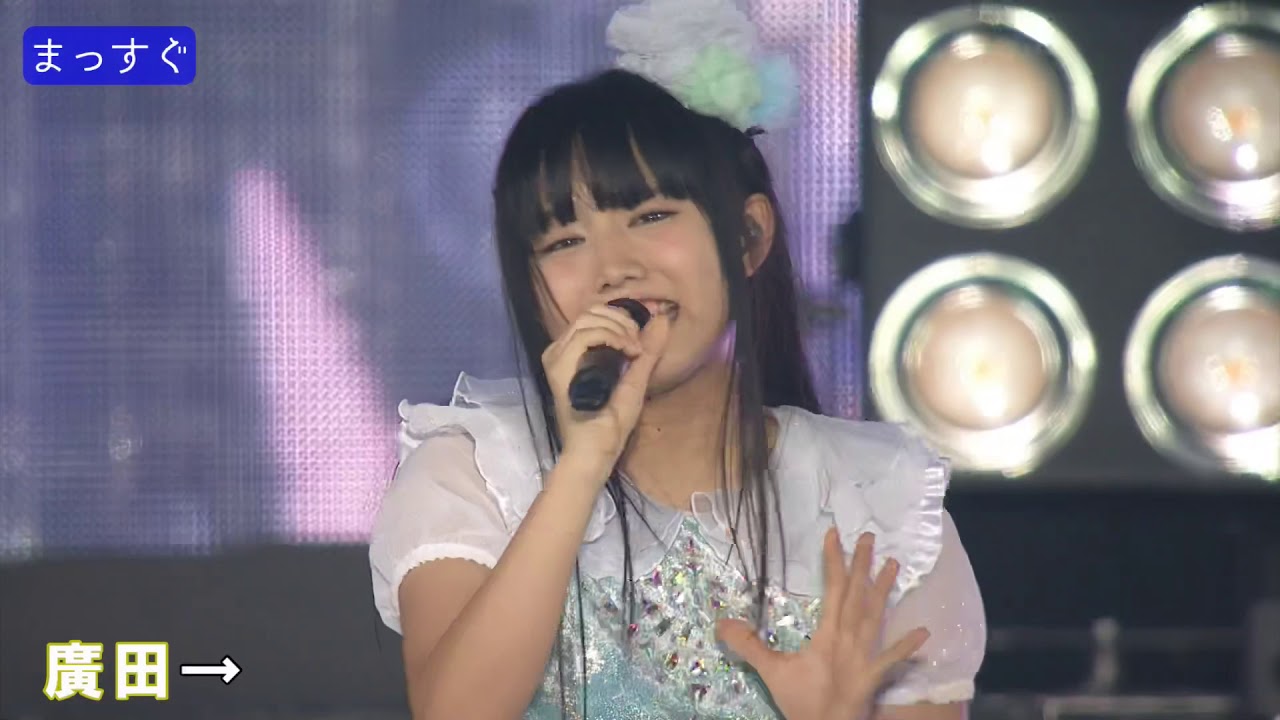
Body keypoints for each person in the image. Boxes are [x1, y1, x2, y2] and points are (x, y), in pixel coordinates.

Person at [368, 1, 986, 717]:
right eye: (565, 242)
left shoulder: (878, 501)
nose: (614, 269)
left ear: (748, 237)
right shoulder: (473, 473)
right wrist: (582, 463)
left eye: (651, 216)